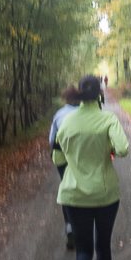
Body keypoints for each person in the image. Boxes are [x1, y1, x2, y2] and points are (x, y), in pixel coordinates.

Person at [54, 74, 130, 260]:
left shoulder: (65, 121)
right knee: (103, 248)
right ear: (100, 93)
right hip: (105, 195)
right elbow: (122, 149)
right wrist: (106, 149)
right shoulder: (107, 119)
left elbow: (57, 159)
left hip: (74, 196)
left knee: (84, 249)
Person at [49, 86, 80, 249]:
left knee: (67, 189)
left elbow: (51, 139)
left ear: (65, 99)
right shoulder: (84, 114)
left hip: (62, 158)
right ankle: (83, 227)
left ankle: (69, 226)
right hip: (80, 157)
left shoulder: (59, 114)